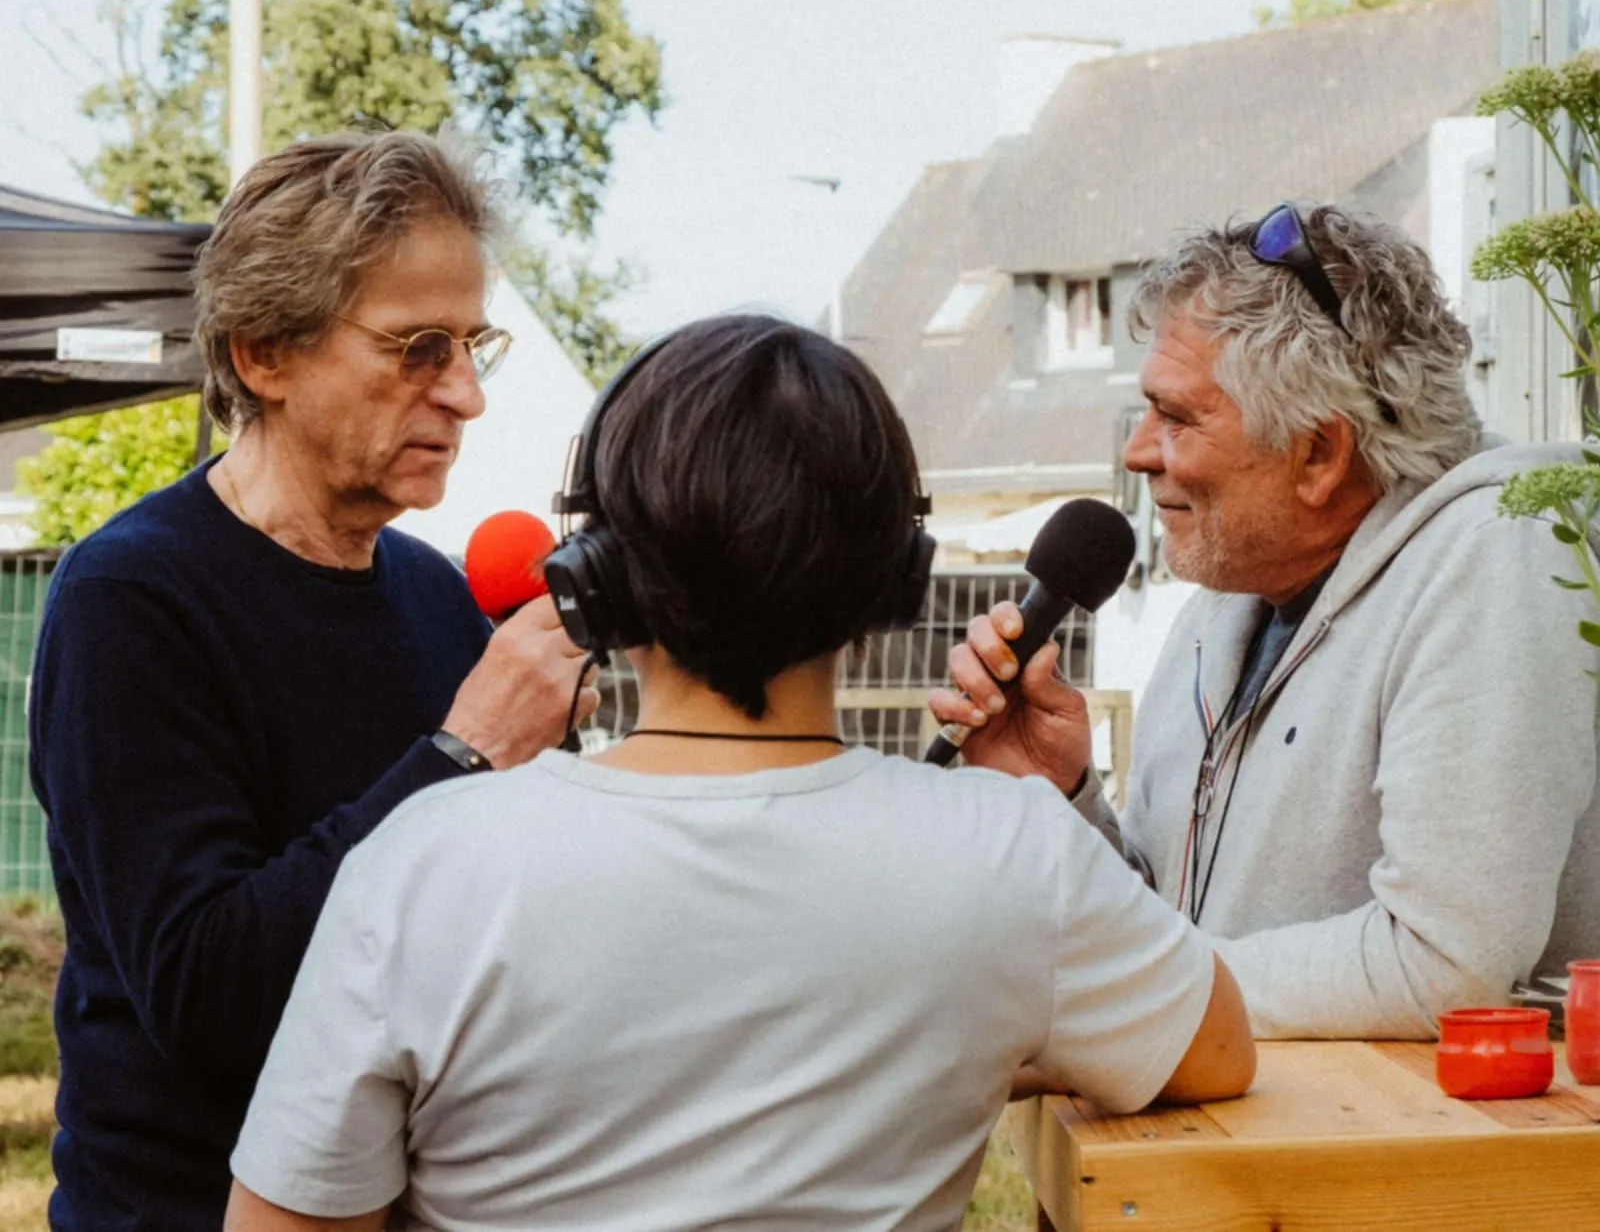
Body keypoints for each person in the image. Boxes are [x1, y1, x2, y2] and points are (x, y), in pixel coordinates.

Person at [222, 314, 1254, 1232]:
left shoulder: (422, 861)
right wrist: (965, 1037)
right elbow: (1215, 1052)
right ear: (895, 579)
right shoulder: (1014, 852)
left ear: (597, 580)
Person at [29, 129, 599, 1232]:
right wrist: (462, 754)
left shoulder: (436, 595)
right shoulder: (132, 601)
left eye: (476, 344)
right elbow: (210, 994)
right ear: (262, 354)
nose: (466, 395)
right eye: (418, 347)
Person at [935, 201, 1600, 1040]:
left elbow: (1444, 961)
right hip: (1222, 1161)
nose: (1139, 451)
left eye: (1176, 417)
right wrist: (1064, 792)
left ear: (1319, 454)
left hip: (1400, 1168)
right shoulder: (1221, 604)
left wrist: (1129, 995)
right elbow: (1171, 929)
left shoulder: (1498, 556)